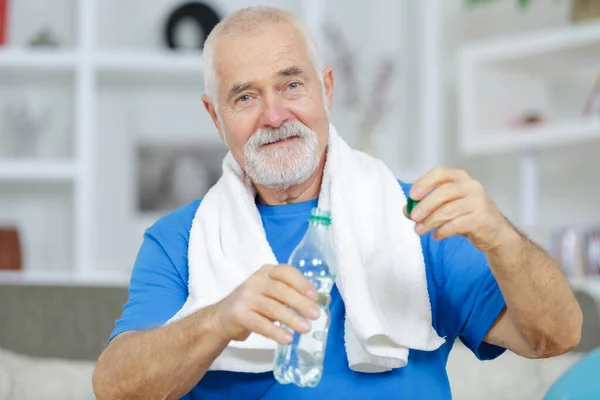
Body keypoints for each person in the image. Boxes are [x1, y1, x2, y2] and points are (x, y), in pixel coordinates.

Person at [92, 6, 582, 400]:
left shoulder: (419, 213)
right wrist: (220, 318)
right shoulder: (180, 239)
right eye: (245, 97)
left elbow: (556, 337)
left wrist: (502, 240)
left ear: (325, 88)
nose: (274, 114)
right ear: (215, 116)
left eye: (291, 84)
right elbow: (115, 389)